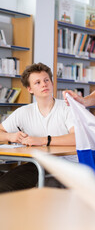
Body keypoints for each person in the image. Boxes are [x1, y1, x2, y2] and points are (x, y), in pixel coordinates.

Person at [0, 63, 75, 193]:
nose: (44, 84)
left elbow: (77, 137)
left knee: (8, 187)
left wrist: (42, 140)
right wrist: (10, 136)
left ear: (52, 83)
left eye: (46, 80)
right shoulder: (23, 112)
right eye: (38, 82)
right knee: (5, 186)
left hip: (68, 166)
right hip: (38, 164)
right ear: (29, 89)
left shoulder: (68, 107)